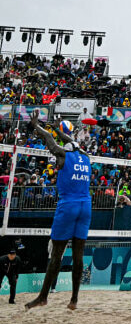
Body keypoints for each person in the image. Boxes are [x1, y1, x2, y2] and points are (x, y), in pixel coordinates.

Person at [26, 117, 92, 311]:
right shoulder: (85, 157)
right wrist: (58, 130)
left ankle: (43, 297)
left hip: (68, 205)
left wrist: (36, 125)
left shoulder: (63, 155)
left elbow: (49, 139)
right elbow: (69, 141)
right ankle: (74, 300)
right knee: (78, 255)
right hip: (85, 206)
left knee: (56, 255)